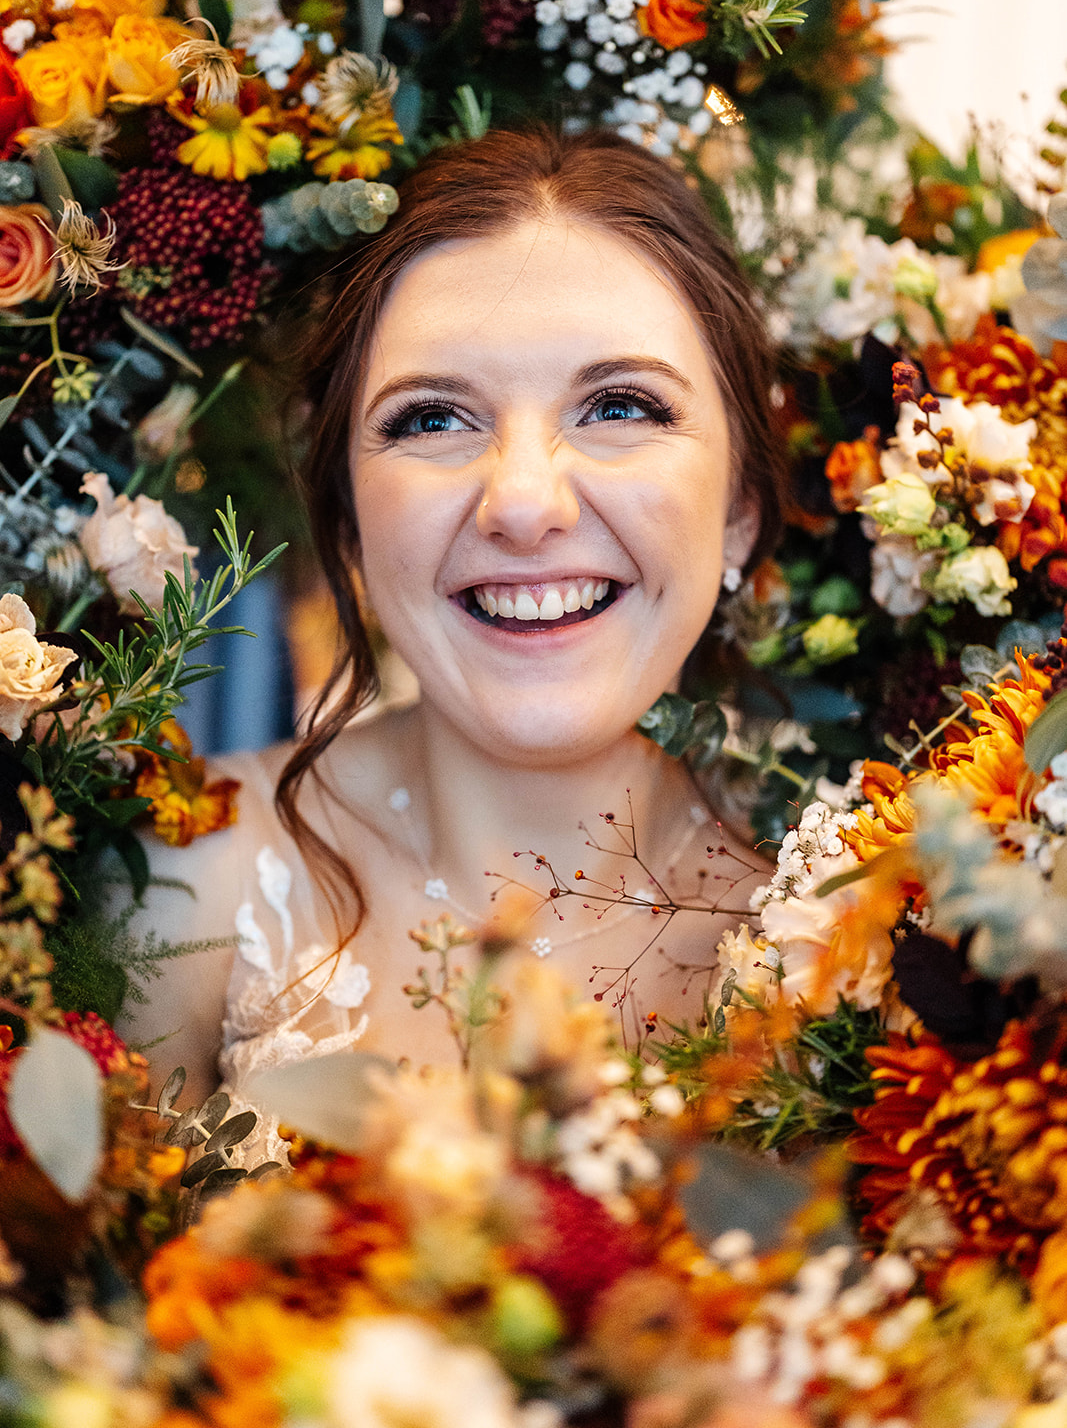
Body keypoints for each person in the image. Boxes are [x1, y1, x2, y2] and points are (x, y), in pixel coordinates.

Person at [118, 126, 784, 1112]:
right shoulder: (185, 879)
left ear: (738, 509)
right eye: (431, 418)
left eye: (619, 406)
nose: (521, 501)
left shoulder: (851, 929)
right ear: (344, 516)